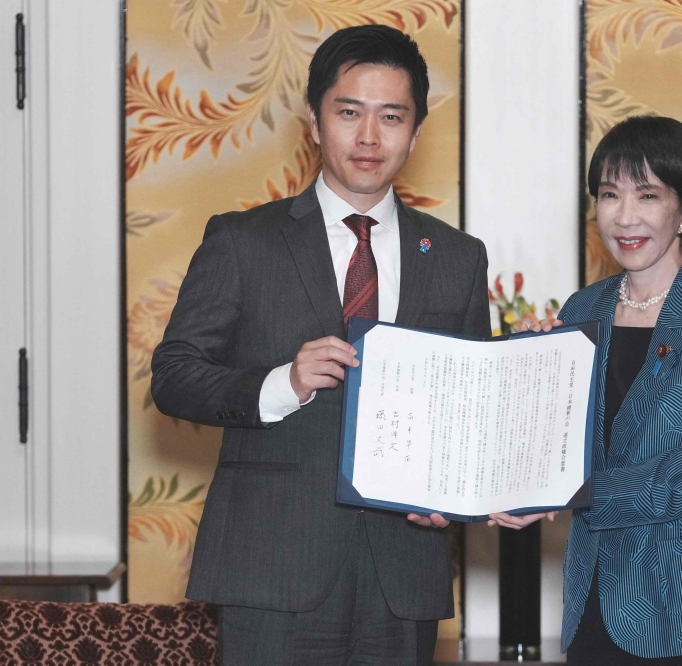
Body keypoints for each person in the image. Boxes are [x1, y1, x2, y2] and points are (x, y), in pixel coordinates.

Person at [151, 25, 490, 666]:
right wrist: (283, 382)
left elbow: (468, 412)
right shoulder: (242, 241)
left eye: (392, 116)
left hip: (403, 577)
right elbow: (173, 375)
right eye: (349, 113)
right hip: (270, 570)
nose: (370, 137)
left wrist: (454, 499)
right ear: (313, 121)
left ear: (417, 131)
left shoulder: (457, 257)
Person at [489, 115, 682, 664]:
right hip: (598, 602)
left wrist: (574, 492)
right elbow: (556, 449)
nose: (624, 216)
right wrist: (530, 371)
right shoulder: (581, 310)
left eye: (647, 195)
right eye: (610, 195)